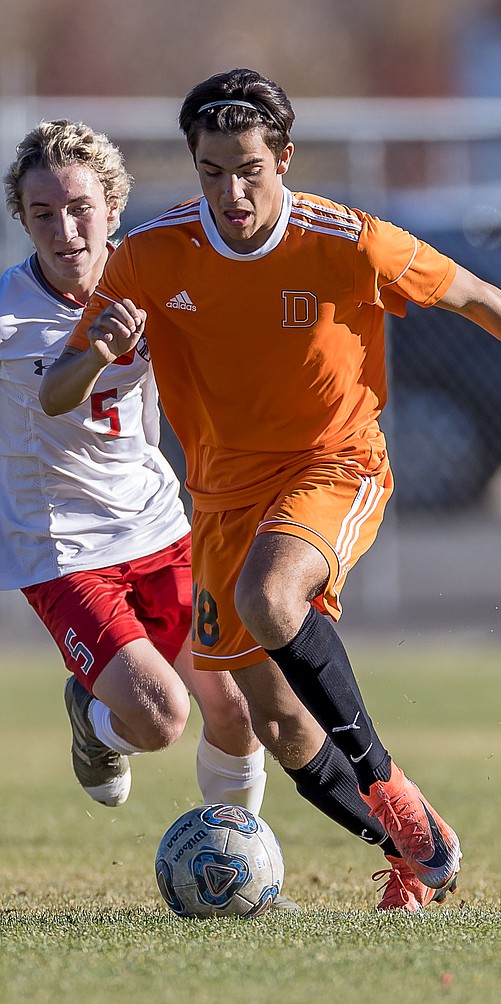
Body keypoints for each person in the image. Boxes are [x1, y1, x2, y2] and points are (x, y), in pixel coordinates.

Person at [42, 70, 501, 912]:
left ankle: (392, 788)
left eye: (249, 168)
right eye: (211, 171)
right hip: (220, 503)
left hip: (334, 466)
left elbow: (472, 293)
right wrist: (94, 350)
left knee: (271, 597)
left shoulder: (347, 240)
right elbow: (56, 392)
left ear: (283, 157)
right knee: (279, 726)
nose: (231, 191)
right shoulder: (150, 253)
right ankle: (416, 855)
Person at [0, 119, 272, 833]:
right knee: (159, 718)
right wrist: (94, 351)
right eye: (43, 213)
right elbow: (57, 394)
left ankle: (235, 859)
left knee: (238, 703)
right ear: (22, 220)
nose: (66, 230)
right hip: (63, 550)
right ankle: (93, 722)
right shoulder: (8, 315)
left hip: (160, 524)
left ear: (113, 208)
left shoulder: (152, 276)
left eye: (80, 207)